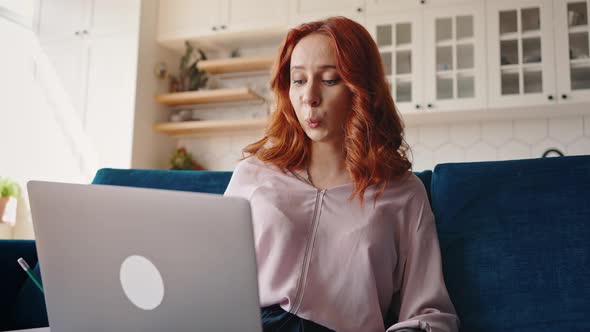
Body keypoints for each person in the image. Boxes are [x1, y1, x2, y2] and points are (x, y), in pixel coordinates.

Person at [224, 16, 459, 332]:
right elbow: (213, 278)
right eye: (298, 80)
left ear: (361, 90)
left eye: (330, 79)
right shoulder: (252, 174)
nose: (309, 96)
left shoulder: (404, 192)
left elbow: (429, 314)